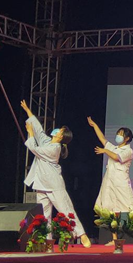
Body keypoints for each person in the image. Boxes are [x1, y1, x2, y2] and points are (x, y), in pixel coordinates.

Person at [20, 100, 91, 248]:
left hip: (53, 184)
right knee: (44, 215)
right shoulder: (47, 141)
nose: (56, 130)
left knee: (66, 209)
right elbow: (39, 129)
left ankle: (81, 234)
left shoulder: (55, 148)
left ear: (61, 137)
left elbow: (35, 149)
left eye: (59, 131)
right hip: (41, 183)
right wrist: (28, 111)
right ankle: (47, 241)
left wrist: (30, 134)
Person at [89, 116, 133, 247]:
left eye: (121, 134)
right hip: (109, 182)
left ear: (127, 138)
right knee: (111, 210)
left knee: (131, 209)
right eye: (118, 133)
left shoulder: (128, 150)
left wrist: (105, 151)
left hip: (121, 183)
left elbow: (116, 157)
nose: (118, 136)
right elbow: (103, 139)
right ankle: (115, 239)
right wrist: (94, 125)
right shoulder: (114, 147)